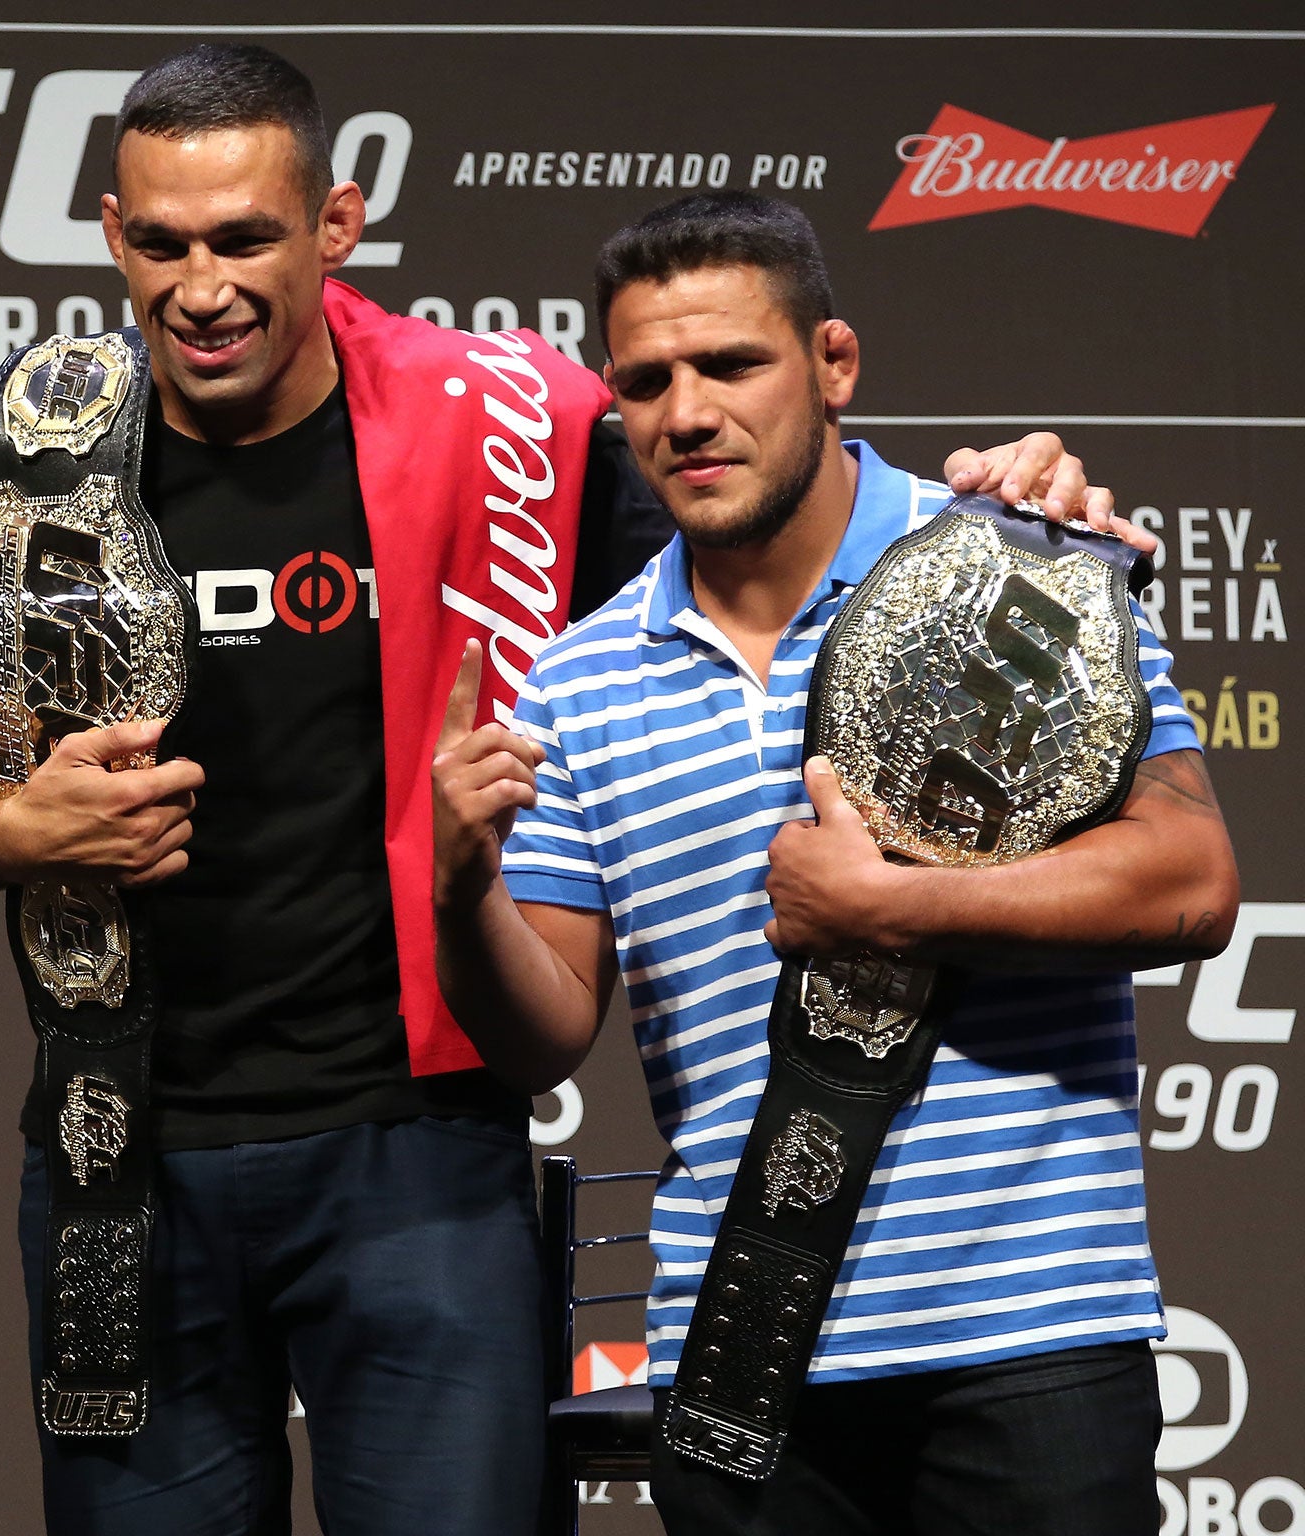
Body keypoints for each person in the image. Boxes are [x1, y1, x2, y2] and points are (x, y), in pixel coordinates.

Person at [0, 46, 1124, 1536]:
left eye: (245, 238)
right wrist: (7, 831)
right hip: (120, 1157)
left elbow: (767, 524)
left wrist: (1027, 535)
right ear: (111, 235)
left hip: (423, 1158)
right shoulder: (20, 484)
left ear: (335, 226)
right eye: (162, 242)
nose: (200, 285)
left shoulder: (513, 432)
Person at [432, 191, 1240, 1535]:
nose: (686, 413)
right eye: (644, 381)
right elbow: (541, 1036)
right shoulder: (575, 683)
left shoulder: (1019, 567)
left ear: (834, 363)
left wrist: (892, 905)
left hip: (1025, 1342)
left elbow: (1191, 880)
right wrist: (460, 891)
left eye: (731, 364)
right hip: (744, 1356)